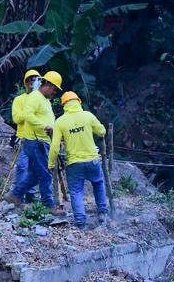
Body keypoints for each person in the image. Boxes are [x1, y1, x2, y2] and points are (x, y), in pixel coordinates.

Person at [48, 91, 109, 227]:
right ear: (78, 102)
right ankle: (103, 213)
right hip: (92, 160)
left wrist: (51, 163)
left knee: (76, 191)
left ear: (64, 105)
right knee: (98, 184)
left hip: (74, 163)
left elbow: (55, 147)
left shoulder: (60, 122)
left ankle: (81, 222)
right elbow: (102, 131)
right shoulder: (88, 116)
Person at [11, 70, 63, 211]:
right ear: (47, 84)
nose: (55, 93)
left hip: (41, 141)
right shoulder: (35, 96)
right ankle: (49, 205)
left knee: (35, 175)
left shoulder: (44, 100)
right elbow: (27, 115)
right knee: (45, 174)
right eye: (54, 89)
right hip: (35, 141)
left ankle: (15, 194)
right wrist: (44, 126)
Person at [10, 70, 43, 204]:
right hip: (24, 138)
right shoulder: (19, 100)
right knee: (22, 166)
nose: (32, 83)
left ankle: (31, 194)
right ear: (26, 82)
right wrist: (29, 112)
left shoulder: (42, 100)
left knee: (34, 167)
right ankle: (18, 193)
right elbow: (16, 118)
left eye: (35, 80)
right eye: (30, 80)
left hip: (37, 138)